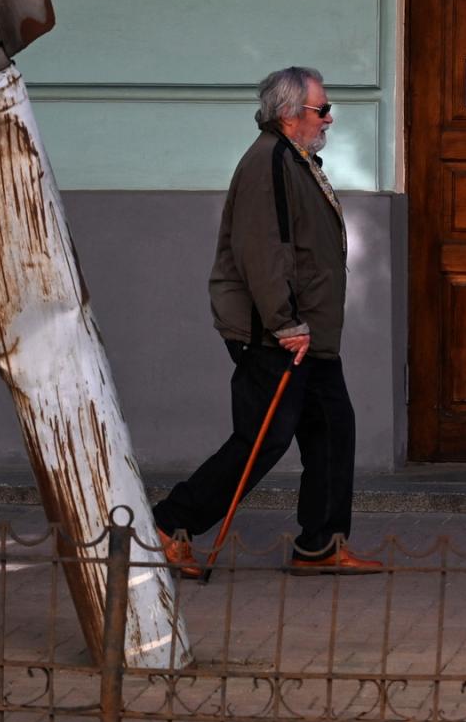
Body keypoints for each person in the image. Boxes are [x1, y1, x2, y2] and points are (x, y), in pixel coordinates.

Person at [152, 67, 383, 575]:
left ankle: (320, 545)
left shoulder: (296, 161)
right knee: (263, 438)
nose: (329, 118)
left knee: (331, 428)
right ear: (289, 114)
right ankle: (169, 525)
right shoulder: (270, 162)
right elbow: (262, 250)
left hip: (309, 333)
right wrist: (285, 323)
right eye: (321, 110)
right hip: (277, 334)